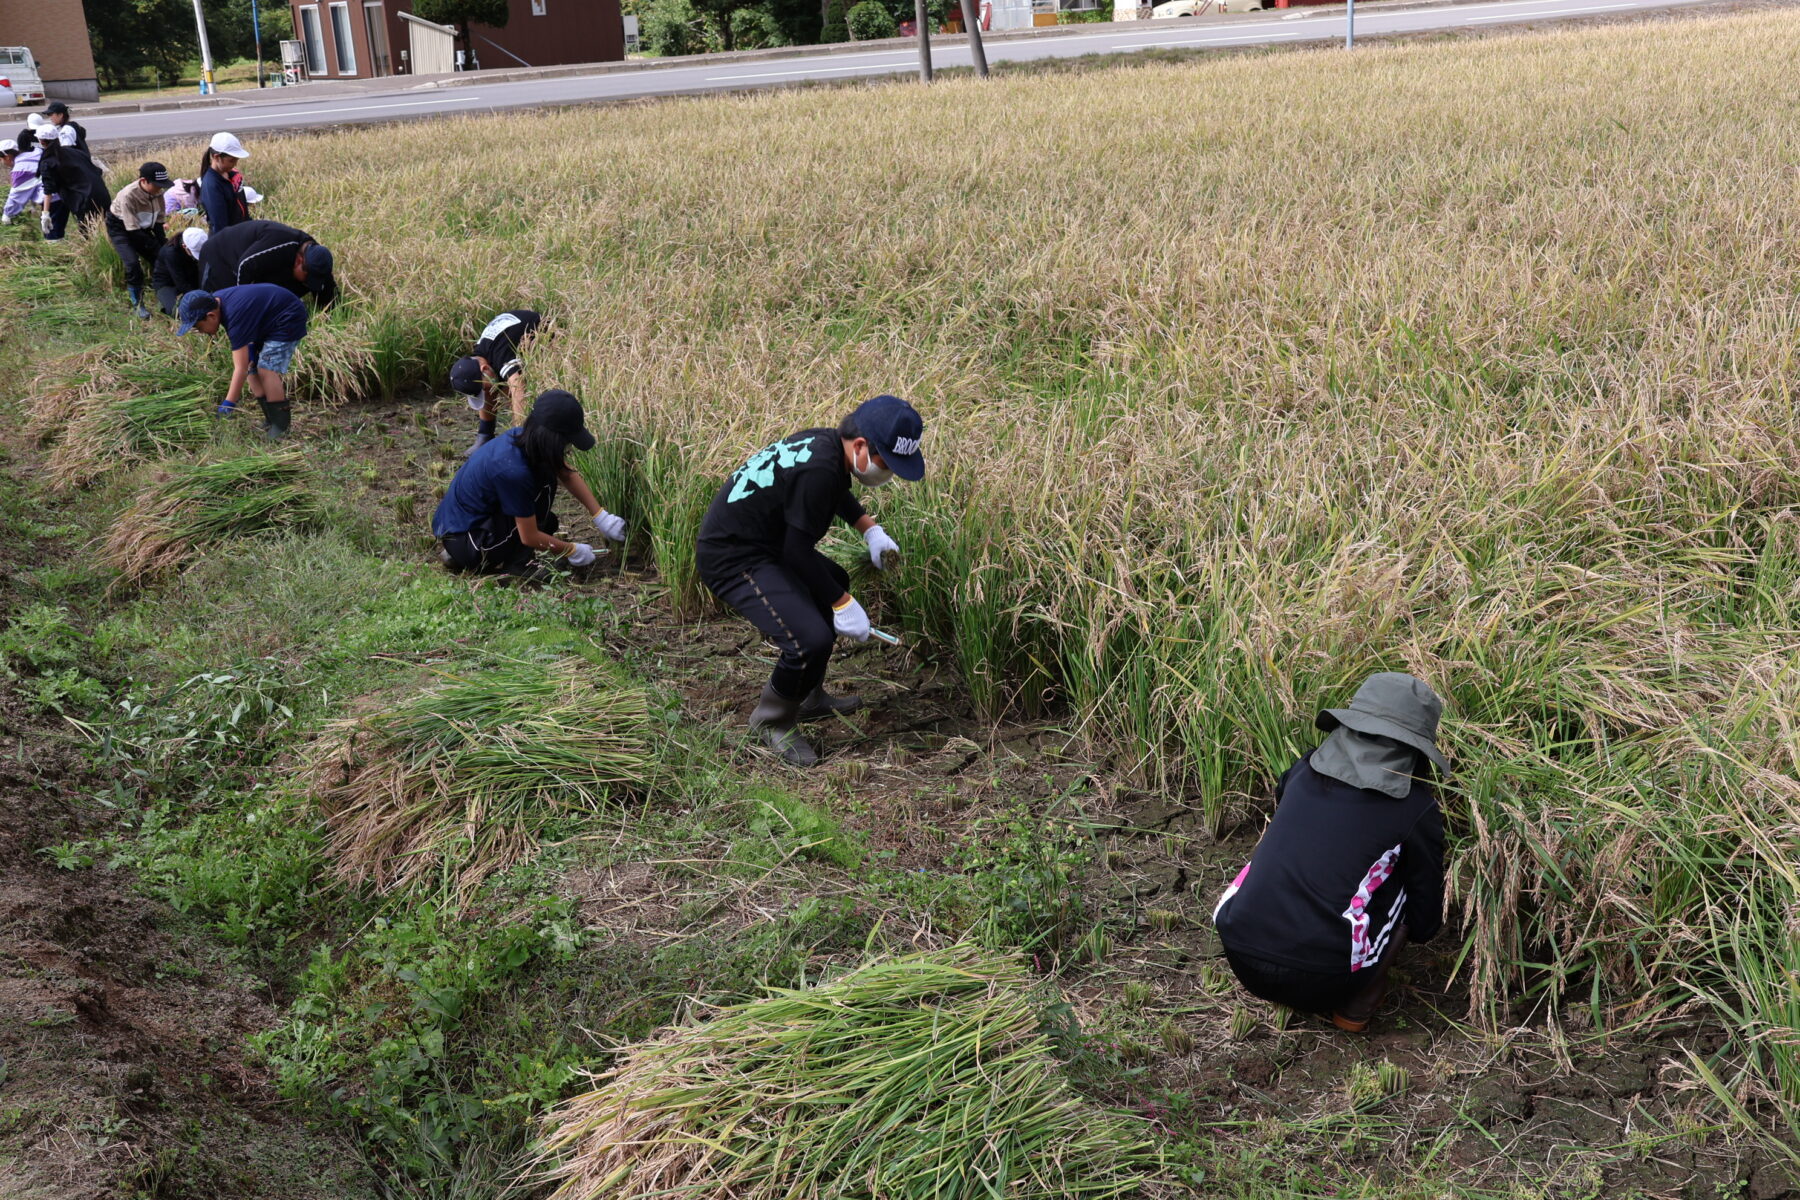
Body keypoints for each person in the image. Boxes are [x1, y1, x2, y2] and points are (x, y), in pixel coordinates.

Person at [1211, 672, 1448, 1033]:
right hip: (1322, 978)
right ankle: (1358, 1003)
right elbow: (1426, 914)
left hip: (1238, 950)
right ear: (1415, 746)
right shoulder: (1415, 807)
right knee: (1402, 883)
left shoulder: (1304, 769)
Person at [695, 395, 923, 767]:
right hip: (732, 557)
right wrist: (843, 603)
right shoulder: (821, 467)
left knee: (832, 578)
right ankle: (771, 721)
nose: (890, 473)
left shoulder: (826, 445)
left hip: (762, 545)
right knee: (808, 640)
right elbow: (796, 552)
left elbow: (836, 492)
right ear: (862, 446)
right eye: (888, 463)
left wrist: (871, 530)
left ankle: (808, 696)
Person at [431, 389, 628, 580]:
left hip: (467, 527)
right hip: (469, 539)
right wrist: (571, 550)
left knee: (548, 521)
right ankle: (517, 564)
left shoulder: (523, 437)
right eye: (567, 441)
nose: (568, 448)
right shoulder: (513, 471)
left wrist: (600, 516)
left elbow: (565, 473)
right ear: (553, 439)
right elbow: (529, 536)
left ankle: (464, 553)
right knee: (544, 488)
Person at [176, 283, 309, 440]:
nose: (200, 332)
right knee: (252, 367)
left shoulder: (234, 315)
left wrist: (228, 404)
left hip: (287, 317)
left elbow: (239, 369)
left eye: (199, 327)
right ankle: (270, 418)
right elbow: (245, 365)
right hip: (265, 320)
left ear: (211, 316)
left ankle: (281, 427)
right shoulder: (215, 302)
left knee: (266, 368)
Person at [450, 309, 541, 454]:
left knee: (495, 385)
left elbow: (518, 387)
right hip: (513, 328)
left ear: (484, 368)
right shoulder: (481, 353)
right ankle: (485, 435)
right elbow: (487, 383)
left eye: (483, 389)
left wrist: (519, 435)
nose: (485, 392)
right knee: (490, 384)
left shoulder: (501, 356)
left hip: (545, 332)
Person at [197, 218, 337, 309]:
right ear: (299, 261)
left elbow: (328, 291)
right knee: (221, 303)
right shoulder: (280, 242)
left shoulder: (317, 257)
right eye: (308, 278)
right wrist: (245, 308)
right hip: (220, 256)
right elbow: (244, 267)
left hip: (257, 263)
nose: (309, 283)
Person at [106, 162, 171, 319]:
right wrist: (154, 245)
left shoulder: (158, 193)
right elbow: (133, 231)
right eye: (156, 185)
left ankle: (165, 298)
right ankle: (138, 304)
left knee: (161, 259)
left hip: (143, 227)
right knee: (133, 264)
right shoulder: (129, 195)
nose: (159, 189)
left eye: (162, 185)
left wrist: (163, 246)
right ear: (143, 181)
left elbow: (159, 224)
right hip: (121, 228)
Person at [37, 124, 104, 240]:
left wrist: (45, 214)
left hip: (83, 200)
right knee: (104, 232)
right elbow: (97, 170)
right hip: (101, 193)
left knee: (90, 238)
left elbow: (48, 190)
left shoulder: (48, 161)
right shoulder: (75, 152)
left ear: (41, 141)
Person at [198, 133, 250, 232]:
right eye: (231, 160)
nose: (235, 164)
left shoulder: (235, 175)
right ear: (216, 157)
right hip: (227, 239)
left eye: (237, 159)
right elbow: (219, 224)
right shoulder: (211, 185)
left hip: (242, 233)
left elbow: (243, 208)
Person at [152, 227, 207, 318]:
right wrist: (198, 297)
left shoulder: (196, 242)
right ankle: (164, 302)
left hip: (190, 276)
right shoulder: (171, 253)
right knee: (175, 311)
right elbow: (181, 283)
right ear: (185, 246)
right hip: (167, 283)